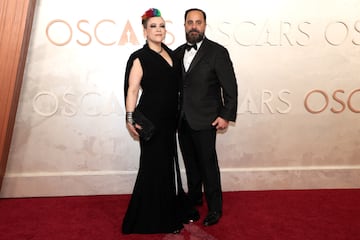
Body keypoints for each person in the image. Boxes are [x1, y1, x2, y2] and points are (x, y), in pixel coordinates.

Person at [122, 8, 184, 234]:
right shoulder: (139, 57)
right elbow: (132, 90)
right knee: (152, 167)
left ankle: (166, 212)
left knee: (165, 167)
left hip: (169, 121)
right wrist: (130, 117)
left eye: (162, 26)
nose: (159, 30)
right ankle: (149, 218)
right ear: (145, 31)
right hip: (150, 120)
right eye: (153, 26)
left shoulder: (171, 54)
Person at [175, 8, 238, 227]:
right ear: (184, 25)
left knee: (208, 165)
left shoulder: (217, 52)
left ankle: (215, 208)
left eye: (198, 22)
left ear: (205, 25)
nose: (194, 26)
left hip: (207, 119)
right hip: (182, 120)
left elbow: (230, 87)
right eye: (190, 22)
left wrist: (225, 115)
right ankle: (194, 199)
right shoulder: (177, 53)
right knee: (191, 165)